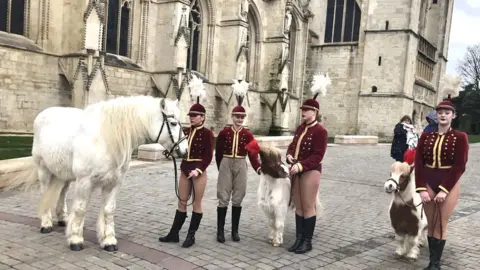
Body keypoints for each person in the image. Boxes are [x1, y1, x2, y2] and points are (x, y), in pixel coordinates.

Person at [415, 75, 469, 270]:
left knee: (441, 223)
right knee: (431, 222)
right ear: (436, 115)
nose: (443, 115)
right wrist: (421, 188)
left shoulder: (460, 137)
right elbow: (419, 162)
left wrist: (445, 189)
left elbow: (459, 166)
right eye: (440, 112)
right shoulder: (426, 136)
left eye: (447, 112)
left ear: (453, 115)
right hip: (428, 181)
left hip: (448, 182)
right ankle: (431, 261)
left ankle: (436, 264)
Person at [159, 74, 214, 248]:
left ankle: (191, 236)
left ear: (203, 117)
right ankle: (174, 233)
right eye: (191, 115)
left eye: (196, 115)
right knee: (182, 201)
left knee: (196, 203)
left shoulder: (208, 134)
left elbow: (208, 156)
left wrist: (198, 170)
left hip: (198, 171)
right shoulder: (185, 131)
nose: (192, 117)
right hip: (185, 168)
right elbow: (178, 146)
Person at [286, 73, 329, 254]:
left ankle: (307, 241)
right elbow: (292, 145)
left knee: (308, 205)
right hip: (296, 169)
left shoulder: (320, 131)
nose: (303, 112)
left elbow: (318, 155)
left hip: (310, 171)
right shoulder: (300, 128)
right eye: (302, 109)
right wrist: (288, 155)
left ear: (315, 112)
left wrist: (301, 165)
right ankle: (298, 238)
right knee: (299, 205)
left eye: (307, 110)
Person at [215, 80, 261, 243]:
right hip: (226, 163)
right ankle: (220, 231)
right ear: (232, 117)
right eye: (237, 116)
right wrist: (221, 166)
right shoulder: (224, 133)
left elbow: (253, 154)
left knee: (238, 196)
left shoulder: (248, 135)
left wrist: (258, 168)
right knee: (223, 195)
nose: (239, 119)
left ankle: (234, 231)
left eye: (242, 117)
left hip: (241, 163)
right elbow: (218, 152)